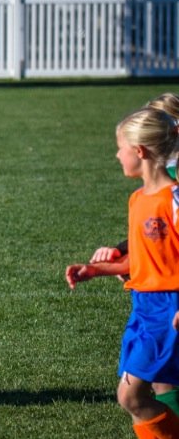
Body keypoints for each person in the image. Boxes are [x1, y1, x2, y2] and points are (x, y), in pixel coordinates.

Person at [65, 107, 179, 439]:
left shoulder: (173, 199)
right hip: (142, 307)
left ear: (141, 151)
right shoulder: (137, 200)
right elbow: (141, 259)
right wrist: (96, 270)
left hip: (169, 308)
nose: (117, 155)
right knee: (135, 397)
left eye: (120, 147)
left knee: (130, 395)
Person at [85, 93, 179, 418]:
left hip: (169, 300)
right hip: (146, 300)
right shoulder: (140, 197)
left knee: (141, 392)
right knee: (149, 389)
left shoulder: (172, 193)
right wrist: (109, 261)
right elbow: (150, 240)